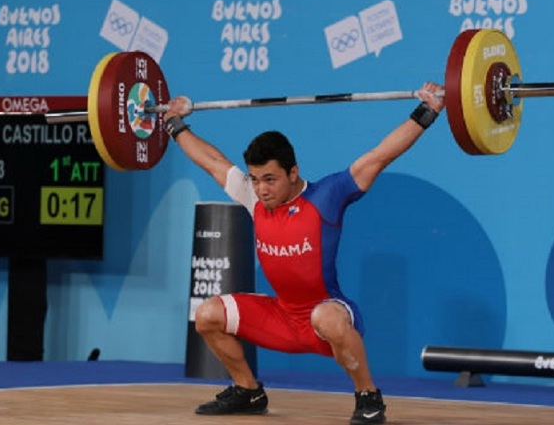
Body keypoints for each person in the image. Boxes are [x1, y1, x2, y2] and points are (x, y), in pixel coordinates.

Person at [163, 82, 445, 424]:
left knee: (324, 317)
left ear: (293, 172)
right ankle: (248, 391)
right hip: (282, 316)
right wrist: (174, 124)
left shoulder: (328, 195)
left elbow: (380, 155)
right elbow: (212, 162)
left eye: (270, 179)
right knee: (207, 314)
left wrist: (427, 110)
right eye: (254, 179)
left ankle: (368, 397)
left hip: (328, 315)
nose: (261, 189)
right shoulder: (254, 198)